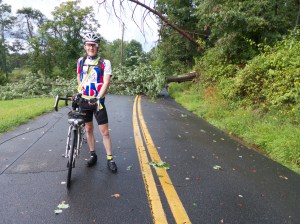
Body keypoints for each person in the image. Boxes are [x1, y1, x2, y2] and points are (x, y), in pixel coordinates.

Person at [76, 32, 117, 173]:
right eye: (88, 45)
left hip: (97, 101)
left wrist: (99, 96)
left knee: (104, 131)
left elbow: (106, 81)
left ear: (97, 46)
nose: (91, 47)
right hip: (84, 101)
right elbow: (79, 76)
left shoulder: (105, 63)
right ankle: (93, 154)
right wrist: (80, 89)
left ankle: (110, 158)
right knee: (88, 129)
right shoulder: (81, 61)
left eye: (93, 45)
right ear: (85, 46)